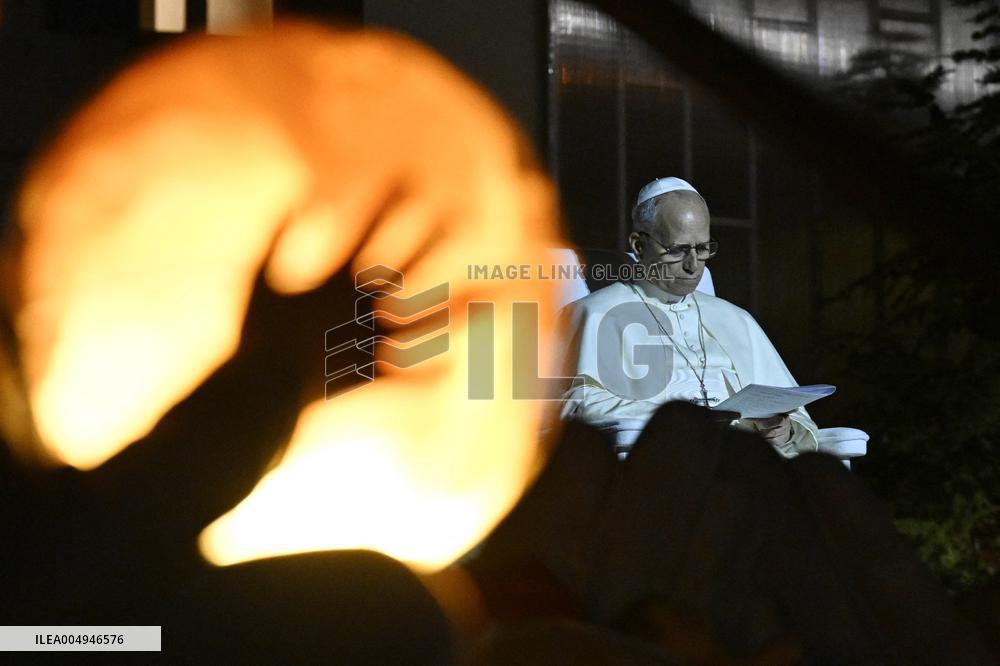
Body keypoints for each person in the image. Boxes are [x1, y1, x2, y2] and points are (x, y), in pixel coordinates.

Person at [559, 177, 818, 457]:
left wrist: (785, 429)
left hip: (744, 459)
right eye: (677, 250)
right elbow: (579, 404)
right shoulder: (594, 313)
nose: (693, 265)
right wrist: (684, 420)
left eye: (702, 248)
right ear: (638, 245)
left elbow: (794, 415)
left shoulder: (736, 319)